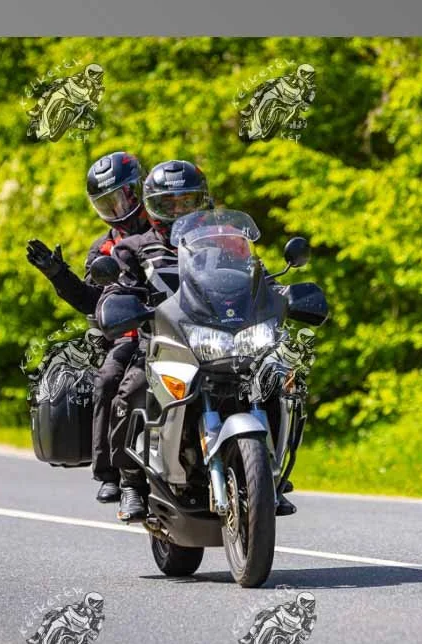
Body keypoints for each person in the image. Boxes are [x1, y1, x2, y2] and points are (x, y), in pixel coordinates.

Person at [105, 160, 300, 521]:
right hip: (163, 339)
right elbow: (118, 289)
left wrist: (280, 292)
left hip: (220, 337)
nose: (178, 210)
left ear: (203, 201)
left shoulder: (226, 240)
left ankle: (269, 475)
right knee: (131, 389)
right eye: (168, 204)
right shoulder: (134, 247)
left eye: (187, 201)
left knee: (275, 381)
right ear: (151, 207)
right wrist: (122, 303)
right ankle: (130, 482)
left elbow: (255, 276)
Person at [26, 151, 150, 502]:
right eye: (107, 203)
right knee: (109, 379)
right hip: (133, 335)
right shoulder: (103, 249)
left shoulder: (168, 230)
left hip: (185, 329)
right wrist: (58, 275)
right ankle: (111, 473)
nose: (118, 208)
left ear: (140, 189)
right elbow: (92, 301)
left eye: (123, 197)